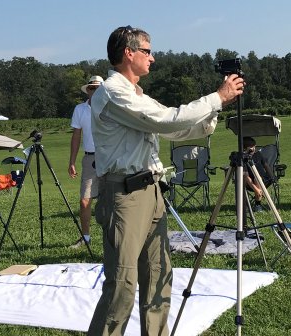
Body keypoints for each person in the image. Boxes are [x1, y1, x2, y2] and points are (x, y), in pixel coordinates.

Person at [88, 25, 244, 336]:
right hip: (125, 196)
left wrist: (214, 112)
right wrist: (216, 97)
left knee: (158, 277)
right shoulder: (112, 92)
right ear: (128, 53)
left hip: (151, 191)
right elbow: (166, 119)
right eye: (147, 51)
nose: (153, 58)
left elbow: (173, 130)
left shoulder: (136, 95)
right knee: (123, 284)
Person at [67, 75, 103, 249]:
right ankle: (86, 237)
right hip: (89, 158)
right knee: (85, 200)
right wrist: (72, 161)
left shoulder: (111, 107)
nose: (94, 91)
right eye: (92, 88)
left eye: (98, 88)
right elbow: (76, 136)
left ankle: (112, 236)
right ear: (87, 90)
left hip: (109, 157)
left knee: (111, 199)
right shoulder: (80, 109)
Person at [241, 137, 276, 212]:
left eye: (254, 146)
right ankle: (258, 204)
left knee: (258, 178)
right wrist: (256, 190)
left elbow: (266, 165)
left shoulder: (258, 154)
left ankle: (257, 203)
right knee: (256, 178)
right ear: (244, 148)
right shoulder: (243, 158)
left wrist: (272, 176)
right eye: (251, 147)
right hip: (249, 183)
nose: (253, 149)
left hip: (263, 179)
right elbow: (246, 176)